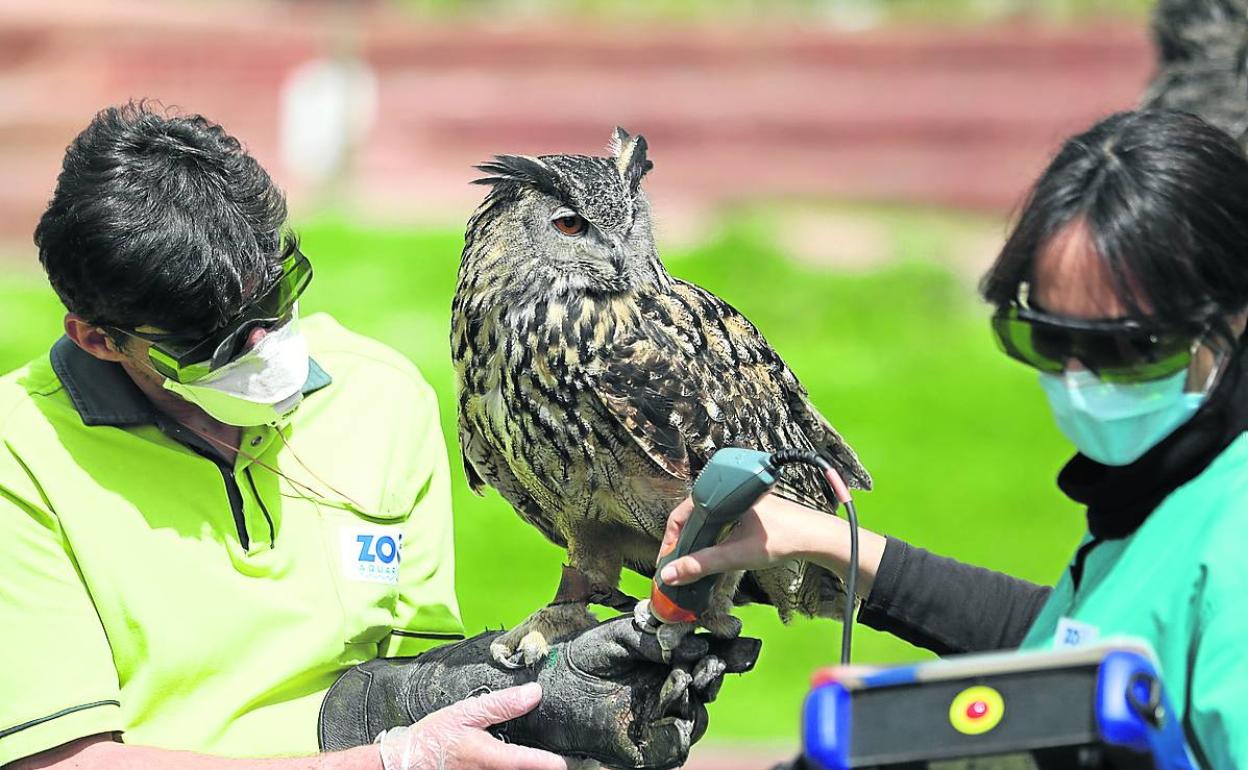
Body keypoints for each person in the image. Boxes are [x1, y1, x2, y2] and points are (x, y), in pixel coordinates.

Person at [0, 102, 751, 770]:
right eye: (216, 346)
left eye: (279, 297)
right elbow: (56, 759)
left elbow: (405, 677)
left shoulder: (378, 393)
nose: (265, 346)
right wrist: (387, 761)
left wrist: (527, 696)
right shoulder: (21, 453)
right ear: (99, 340)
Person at [658, 109, 1248, 770]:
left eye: (1129, 347)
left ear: (1230, 316)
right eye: (1049, 339)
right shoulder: (1169, 485)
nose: (1081, 379)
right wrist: (830, 542)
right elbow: (1076, 647)